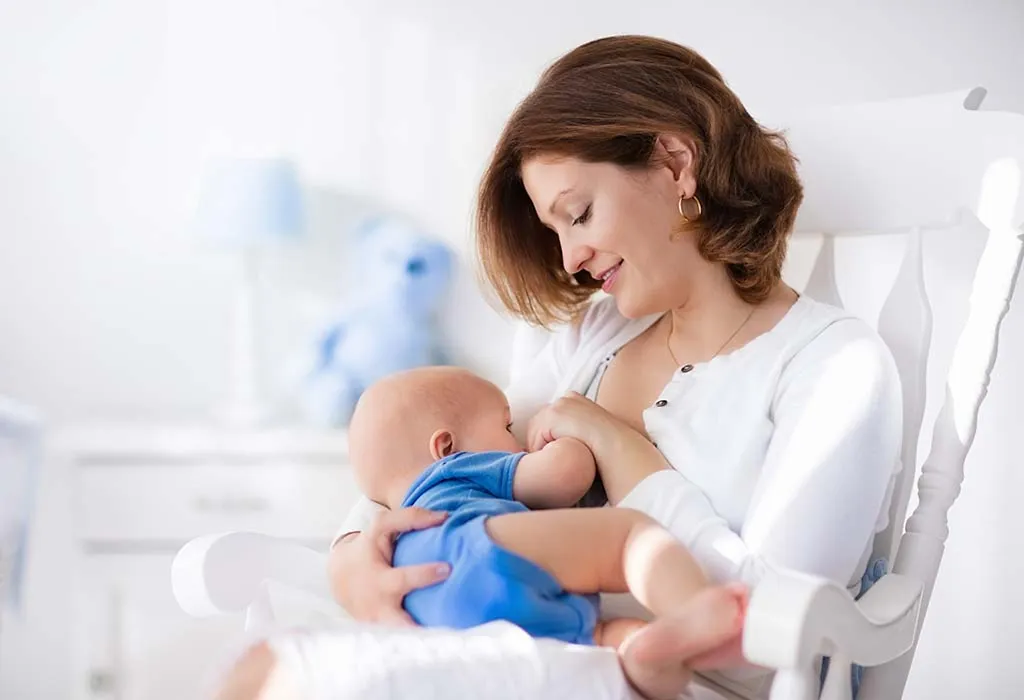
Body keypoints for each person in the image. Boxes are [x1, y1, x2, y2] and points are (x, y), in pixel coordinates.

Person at [218, 34, 903, 699]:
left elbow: (768, 639)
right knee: (265, 672)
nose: (570, 257)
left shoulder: (833, 367)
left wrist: (620, 448)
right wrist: (352, 561)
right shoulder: (590, 332)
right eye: (555, 230)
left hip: (667, 679)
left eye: (577, 214)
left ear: (674, 162)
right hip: (503, 655)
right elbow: (443, 457)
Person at [349, 365, 748, 699]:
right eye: (507, 426)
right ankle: (697, 610)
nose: (518, 439)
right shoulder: (457, 470)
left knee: (602, 642)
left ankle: (641, 652)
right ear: (446, 446)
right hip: (474, 548)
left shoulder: (396, 534)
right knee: (629, 538)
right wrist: (562, 441)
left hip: (431, 614)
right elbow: (567, 475)